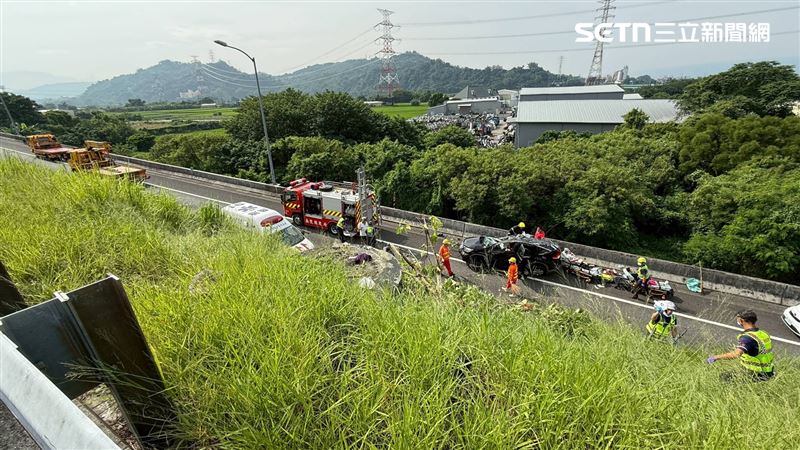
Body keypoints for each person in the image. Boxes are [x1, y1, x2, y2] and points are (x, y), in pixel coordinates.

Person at [707, 310, 775, 381]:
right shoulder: (763, 333)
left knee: (723, 378)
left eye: (738, 319)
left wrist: (715, 357)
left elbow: (736, 354)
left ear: (742, 321)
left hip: (756, 373)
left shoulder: (748, 338)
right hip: (769, 371)